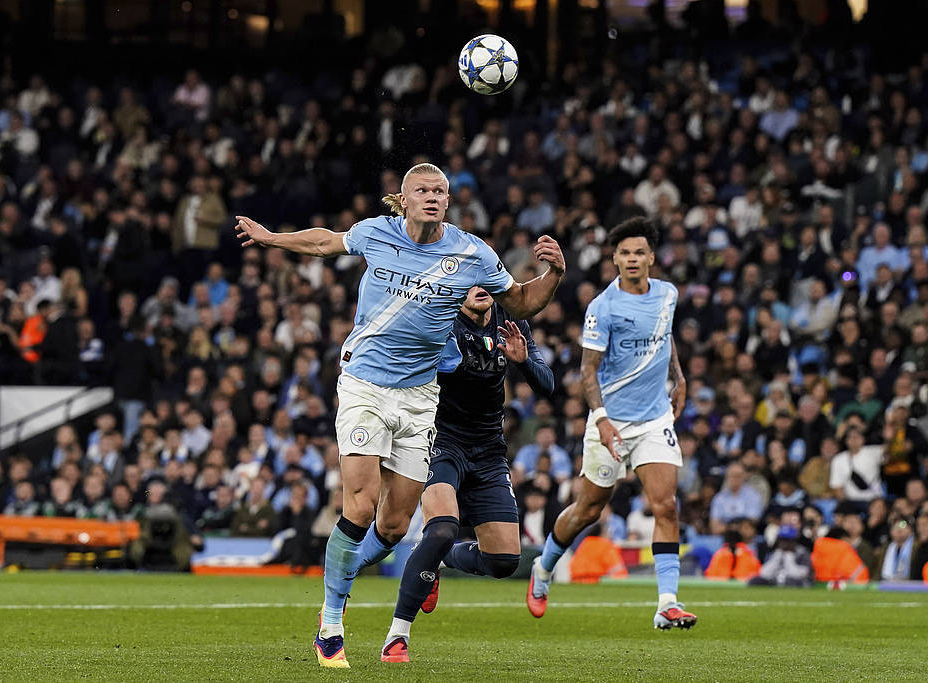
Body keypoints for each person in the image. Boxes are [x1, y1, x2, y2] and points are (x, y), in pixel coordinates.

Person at [235, 162, 565, 668]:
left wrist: (554, 275)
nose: (432, 196)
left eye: (440, 191)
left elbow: (520, 302)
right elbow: (325, 242)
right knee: (360, 505)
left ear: (448, 201)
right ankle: (331, 623)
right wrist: (272, 238)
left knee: (392, 526)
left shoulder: (473, 253)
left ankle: (344, 579)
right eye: (422, 190)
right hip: (365, 384)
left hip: (419, 398)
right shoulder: (376, 233)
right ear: (404, 199)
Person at [525, 217, 696, 631]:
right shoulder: (603, 307)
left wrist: (678, 377)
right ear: (615, 259)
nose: (632, 259)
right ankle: (543, 567)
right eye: (625, 253)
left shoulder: (668, 294)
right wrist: (601, 421)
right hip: (611, 421)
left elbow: (664, 334)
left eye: (639, 252)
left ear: (651, 257)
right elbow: (588, 370)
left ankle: (667, 603)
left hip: (654, 418)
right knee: (588, 510)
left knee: (666, 505)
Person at [381, 285, 554, 663]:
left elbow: (548, 385)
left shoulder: (511, 321)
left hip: (489, 451)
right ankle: (397, 636)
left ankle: (438, 560)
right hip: (441, 442)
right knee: (442, 528)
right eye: (470, 280)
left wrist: (524, 361)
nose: (480, 288)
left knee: (504, 561)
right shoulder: (439, 320)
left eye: (486, 279)